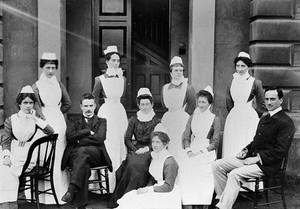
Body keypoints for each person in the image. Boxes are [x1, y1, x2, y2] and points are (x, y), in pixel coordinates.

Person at [212, 87, 295, 209]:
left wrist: (257, 158)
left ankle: (223, 206)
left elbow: (280, 151)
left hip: (267, 165)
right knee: (217, 165)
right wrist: (246, 150)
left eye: (273, 99)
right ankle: (223, 200)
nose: (269, 102)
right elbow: (256, 141)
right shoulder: (264, 118)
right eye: (266, 99)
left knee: (234, 174)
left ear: (281, 100)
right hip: (251, 159)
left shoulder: (286, 122)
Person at [0, 86, 54, 208]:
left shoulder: (35, 119)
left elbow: (50, 131)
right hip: (13, 151)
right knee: (3, 166)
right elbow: (6, 141)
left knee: (8, 170)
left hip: (28, 154)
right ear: (19, 104)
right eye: (25, 103)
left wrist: (35, 118)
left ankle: (10, 204)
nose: (28, 106)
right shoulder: (11, 119)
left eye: (31, 103)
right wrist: (7, 156)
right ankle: (6, 203)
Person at [108, 88, 161, 208]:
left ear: (152, 104)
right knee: (132, 163)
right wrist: (135, 149)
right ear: (138, 105)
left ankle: (139, 199)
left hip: (151, 148)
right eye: (142, 104)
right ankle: (127, 197)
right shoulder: (134, 119)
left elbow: (158, 140)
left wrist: (147, 149)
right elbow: (127, 139)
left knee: (142, 164)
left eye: (147, 104)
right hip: (136, 148)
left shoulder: (156, 121)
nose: (145, 107)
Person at [32, 52, 71, 204]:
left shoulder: (59, 84)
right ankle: (43, 194)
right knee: (47, 155)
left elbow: (67, 103)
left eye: (53, 68)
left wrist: (56, 113)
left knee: (60, 154)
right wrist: (46, 118)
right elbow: (36, 108)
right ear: (42, 67)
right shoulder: (36, 86)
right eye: (47, 67)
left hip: (59, 121)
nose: (50, 71)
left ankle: (61, 189)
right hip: (45, 123)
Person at [61, 93, 112, 209]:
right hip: (76, 155)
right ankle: (81, 204)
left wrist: (79, 140)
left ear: (95, 106)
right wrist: (87, 132)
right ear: (81, 106)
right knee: (84, 164)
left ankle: (72, 188)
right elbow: (70, 137)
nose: (88, 109)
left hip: (96, 154)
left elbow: (100, 138)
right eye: (86, 106)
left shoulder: (101, 121)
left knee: (82, 151)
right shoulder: (73, 120)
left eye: (90, 105)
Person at [116, 123, 181, 209]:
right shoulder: (155, 156)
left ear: (165, 144)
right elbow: (152, 178)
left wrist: (149, 190)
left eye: (158, 142)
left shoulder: (169, 161)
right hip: (155, 188)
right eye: (153, 142)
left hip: (166, 193)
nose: (154, 145)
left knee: (137, 202)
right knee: (130, 196)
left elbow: (168, 187)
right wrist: (146, 189)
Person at [92, 45, 128, 191]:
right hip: (106, 112)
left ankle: (119, 182)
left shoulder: (123, 78)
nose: (116, 63)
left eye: (118, 60)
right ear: (107, 62)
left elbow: (123, 96)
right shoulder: (99, 79)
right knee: (108, 143)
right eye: (113, 60)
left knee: (120, 143)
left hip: (119, 112)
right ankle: (105, 184)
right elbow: (94, 98)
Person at [178, 86, 221, 208]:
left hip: (207, 150)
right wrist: (188, 150)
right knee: (186, 169)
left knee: (203, 172)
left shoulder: (215, 119)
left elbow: (215, 142)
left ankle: (203, 203)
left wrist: (202, 151)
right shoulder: (192, 117)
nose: (201, 105)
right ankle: (189, 203)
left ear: (209, 103)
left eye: (204, 102)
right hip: (193, 148)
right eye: (199, 102)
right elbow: (186, 137)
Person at [222, 51, 266, 158]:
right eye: (238, 66)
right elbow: (229, 103)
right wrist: (234, 114)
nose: (240, 69)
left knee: (246, 140)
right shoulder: (231, 82)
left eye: (243, 66)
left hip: (249, 117)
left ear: (248, 67)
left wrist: (254, 116)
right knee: (233, 143)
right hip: (234, 117)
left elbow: (262, 104)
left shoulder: (255, 82)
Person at [161, 56, 196, 157]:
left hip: (182, 118)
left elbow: (192, 105)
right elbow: (164, 104)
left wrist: (183, 114)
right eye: (176, 70)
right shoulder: (165, 87)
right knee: (168, 142)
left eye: (181, 70)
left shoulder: (188, 87)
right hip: (168, 117)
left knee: (180, 143)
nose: (179, 72)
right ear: (171, 72)